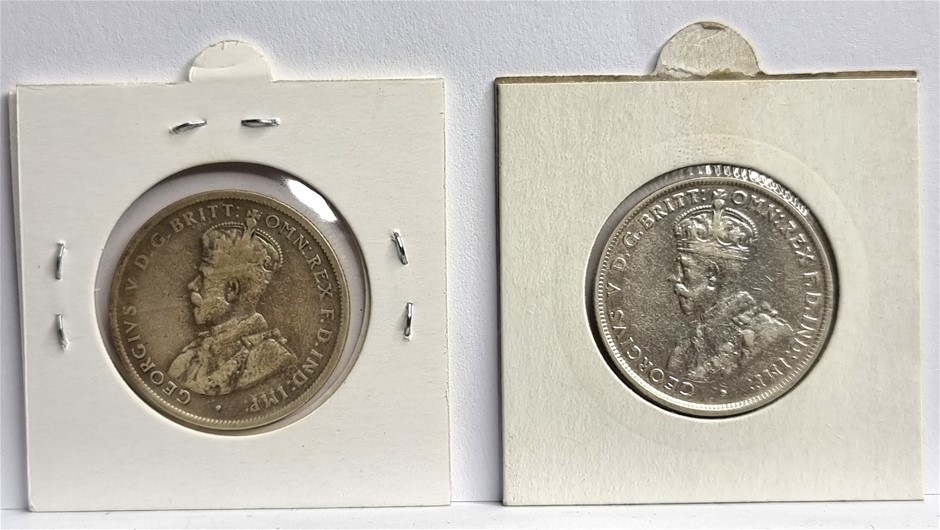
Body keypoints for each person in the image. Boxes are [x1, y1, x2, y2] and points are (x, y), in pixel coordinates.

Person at [667, 199, 793, 382]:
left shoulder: (771, 335)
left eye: (684, 269)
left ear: (712, 275)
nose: (675, 279)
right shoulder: (689, 341)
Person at [168, 217, 296, 395]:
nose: (193, 285)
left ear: (231, 290)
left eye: (203, 278)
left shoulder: (272, 356)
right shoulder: (194, 352)